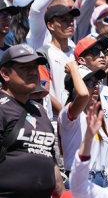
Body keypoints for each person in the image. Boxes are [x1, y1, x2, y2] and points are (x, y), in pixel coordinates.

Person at [0, 44, 64, 197]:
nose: (33, 72)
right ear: (5, 73)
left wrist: (62, 193)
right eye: (25, 67)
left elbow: (50, 158)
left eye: (35, 67)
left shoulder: (39, 110)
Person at [59, 64, 108, 187]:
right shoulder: (69, 113)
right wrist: (73, 68)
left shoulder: (95, 115)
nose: (96, 87)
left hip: (101, 179)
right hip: (82, 178)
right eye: (89, 83)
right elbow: (83, 95)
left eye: (96, 82)